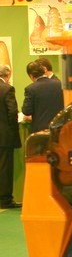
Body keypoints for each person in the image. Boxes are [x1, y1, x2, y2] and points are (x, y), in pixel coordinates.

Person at [0, 64, 21, 209]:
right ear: (7, 75)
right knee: (4, 168)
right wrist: (14, 132)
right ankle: (5, 199)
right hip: (4, 136)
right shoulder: (7, 89)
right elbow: (12, 112)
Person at [22, 61, 64, 133]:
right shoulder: (60, 84)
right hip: (59, 127)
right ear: (43, 71)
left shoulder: (30, 89)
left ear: (31, 75)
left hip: (40, 129)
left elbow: (27, 111)